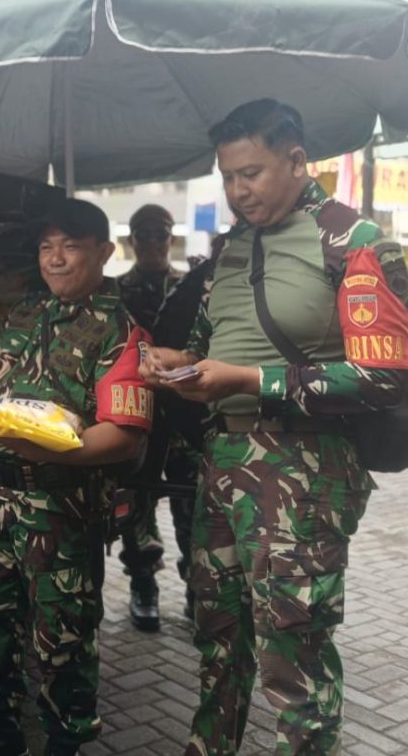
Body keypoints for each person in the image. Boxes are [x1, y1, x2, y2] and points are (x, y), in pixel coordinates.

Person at [140, 99, 408, 755]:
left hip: (306, 473)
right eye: (229, 177)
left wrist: (252, 380)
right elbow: (209, 344)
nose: (238, 191)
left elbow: (388, 376)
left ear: (296, 161)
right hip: (222, 461)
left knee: (294, 648)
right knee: (218, 630)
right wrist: (176, 364)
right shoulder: (231, 250)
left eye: (252, 173)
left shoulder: (356, 243)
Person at [0, 198, 154, 756]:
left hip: (64, 514)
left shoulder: (123, 332)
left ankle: (66, 742)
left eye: (71, 246)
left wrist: (44, 450)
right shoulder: (23, 315)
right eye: (46, 247)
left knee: (63, 639)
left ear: (105, 253)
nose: (56, 259)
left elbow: (124, 434)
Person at [116, 203, 181, 631]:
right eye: (144, 235)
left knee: (192, 498)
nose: (153, 243)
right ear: (132, 241)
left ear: (171, 239)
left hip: (186, 413)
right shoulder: (116, 290)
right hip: (140, 411)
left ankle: (199, 585)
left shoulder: (192, 284)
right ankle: (144, 585)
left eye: (161, 235)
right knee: (137, 501)